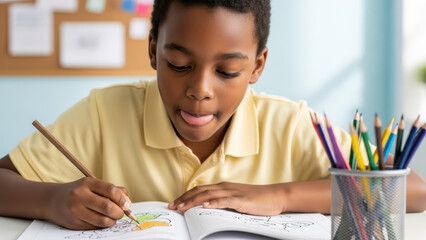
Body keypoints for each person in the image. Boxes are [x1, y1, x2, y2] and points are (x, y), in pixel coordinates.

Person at [0, 0, 425, 230]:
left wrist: (280, 196)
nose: (200, 90)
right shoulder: (103, 112)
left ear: (257, 66)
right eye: (180, 65)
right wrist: (52, 200)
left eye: (228, 71)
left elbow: (414, 192)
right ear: (153, 51)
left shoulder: (291, 124)